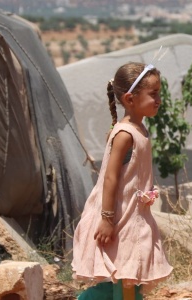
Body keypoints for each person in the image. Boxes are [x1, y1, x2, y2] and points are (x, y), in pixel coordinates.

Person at [72, 62, 172, 300]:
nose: (159, 99)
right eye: (153, 94)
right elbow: (110, 178)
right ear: (130, 99)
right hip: (119, 216)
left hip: (133, 215)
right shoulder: (125, 134)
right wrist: (107, 219)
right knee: (127, 275)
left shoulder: (138, 130)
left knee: (130, 275)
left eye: (159, 93)